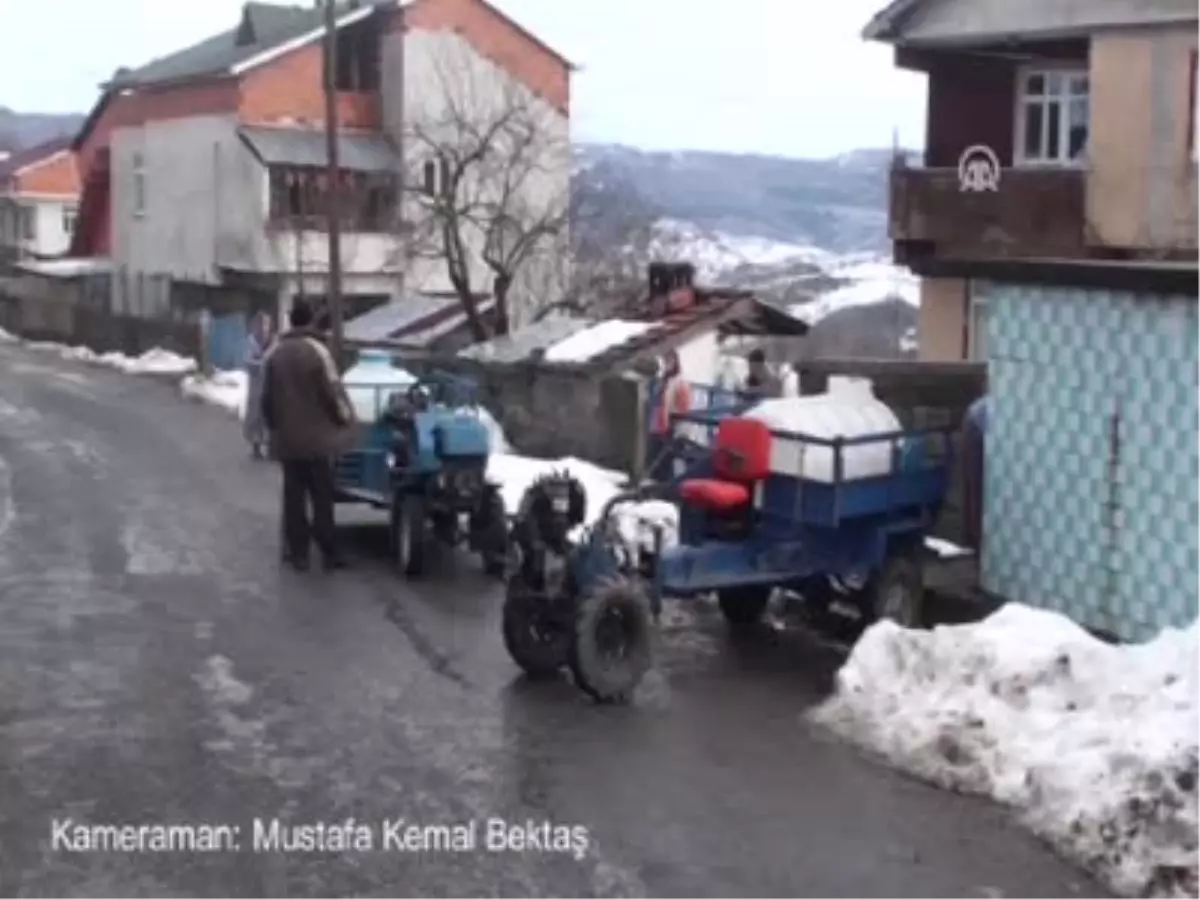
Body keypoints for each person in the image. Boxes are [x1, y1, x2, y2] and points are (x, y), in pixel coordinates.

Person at [261, 299, 357, 572]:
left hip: (288, 441)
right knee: (321, 496)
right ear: (311, 320)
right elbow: (333, 392)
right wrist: (345, 419)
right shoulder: (318, 352)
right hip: (317, 440)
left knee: (293, 496)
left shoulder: (275, 354)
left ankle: (298, 553)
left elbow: (266, 400)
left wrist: (275, 428)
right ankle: (329, 552)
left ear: (291, 320)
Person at [647, 350, 691, 481]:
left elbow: (684, 406)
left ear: (676, 362)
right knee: (654, 460)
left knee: (666, 461)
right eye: (665, 360)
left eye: (670, 361)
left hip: (670, 426)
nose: (667, 364)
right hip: (657, 425)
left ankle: (665, 489)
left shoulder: (680, 381)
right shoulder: (662, 380)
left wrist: (675, 424)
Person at [242, 311, 274, 459]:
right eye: (263, 323)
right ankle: (256, 446)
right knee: (255, 415)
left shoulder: (273, 341)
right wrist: (261, 362)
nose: (265, 327)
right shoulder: (251, 341)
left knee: (269, 414)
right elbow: (248, 361)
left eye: (267, 323)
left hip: (270, 384)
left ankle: (269, 446)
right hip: (256, 384)